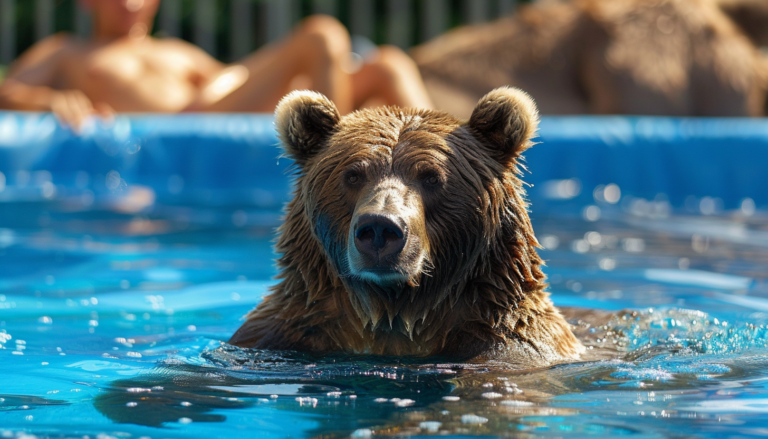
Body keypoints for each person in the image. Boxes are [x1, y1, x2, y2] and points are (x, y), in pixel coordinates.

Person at [0, 0, 433, 128]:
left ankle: (471, 168)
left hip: (219, 100)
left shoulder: (175, 50)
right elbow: (7, 89)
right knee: (321, 33)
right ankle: (331, 168)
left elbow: (227, 78)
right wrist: (50, 99)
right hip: (187, 120)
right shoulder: (69, 50)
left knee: (389, 64)